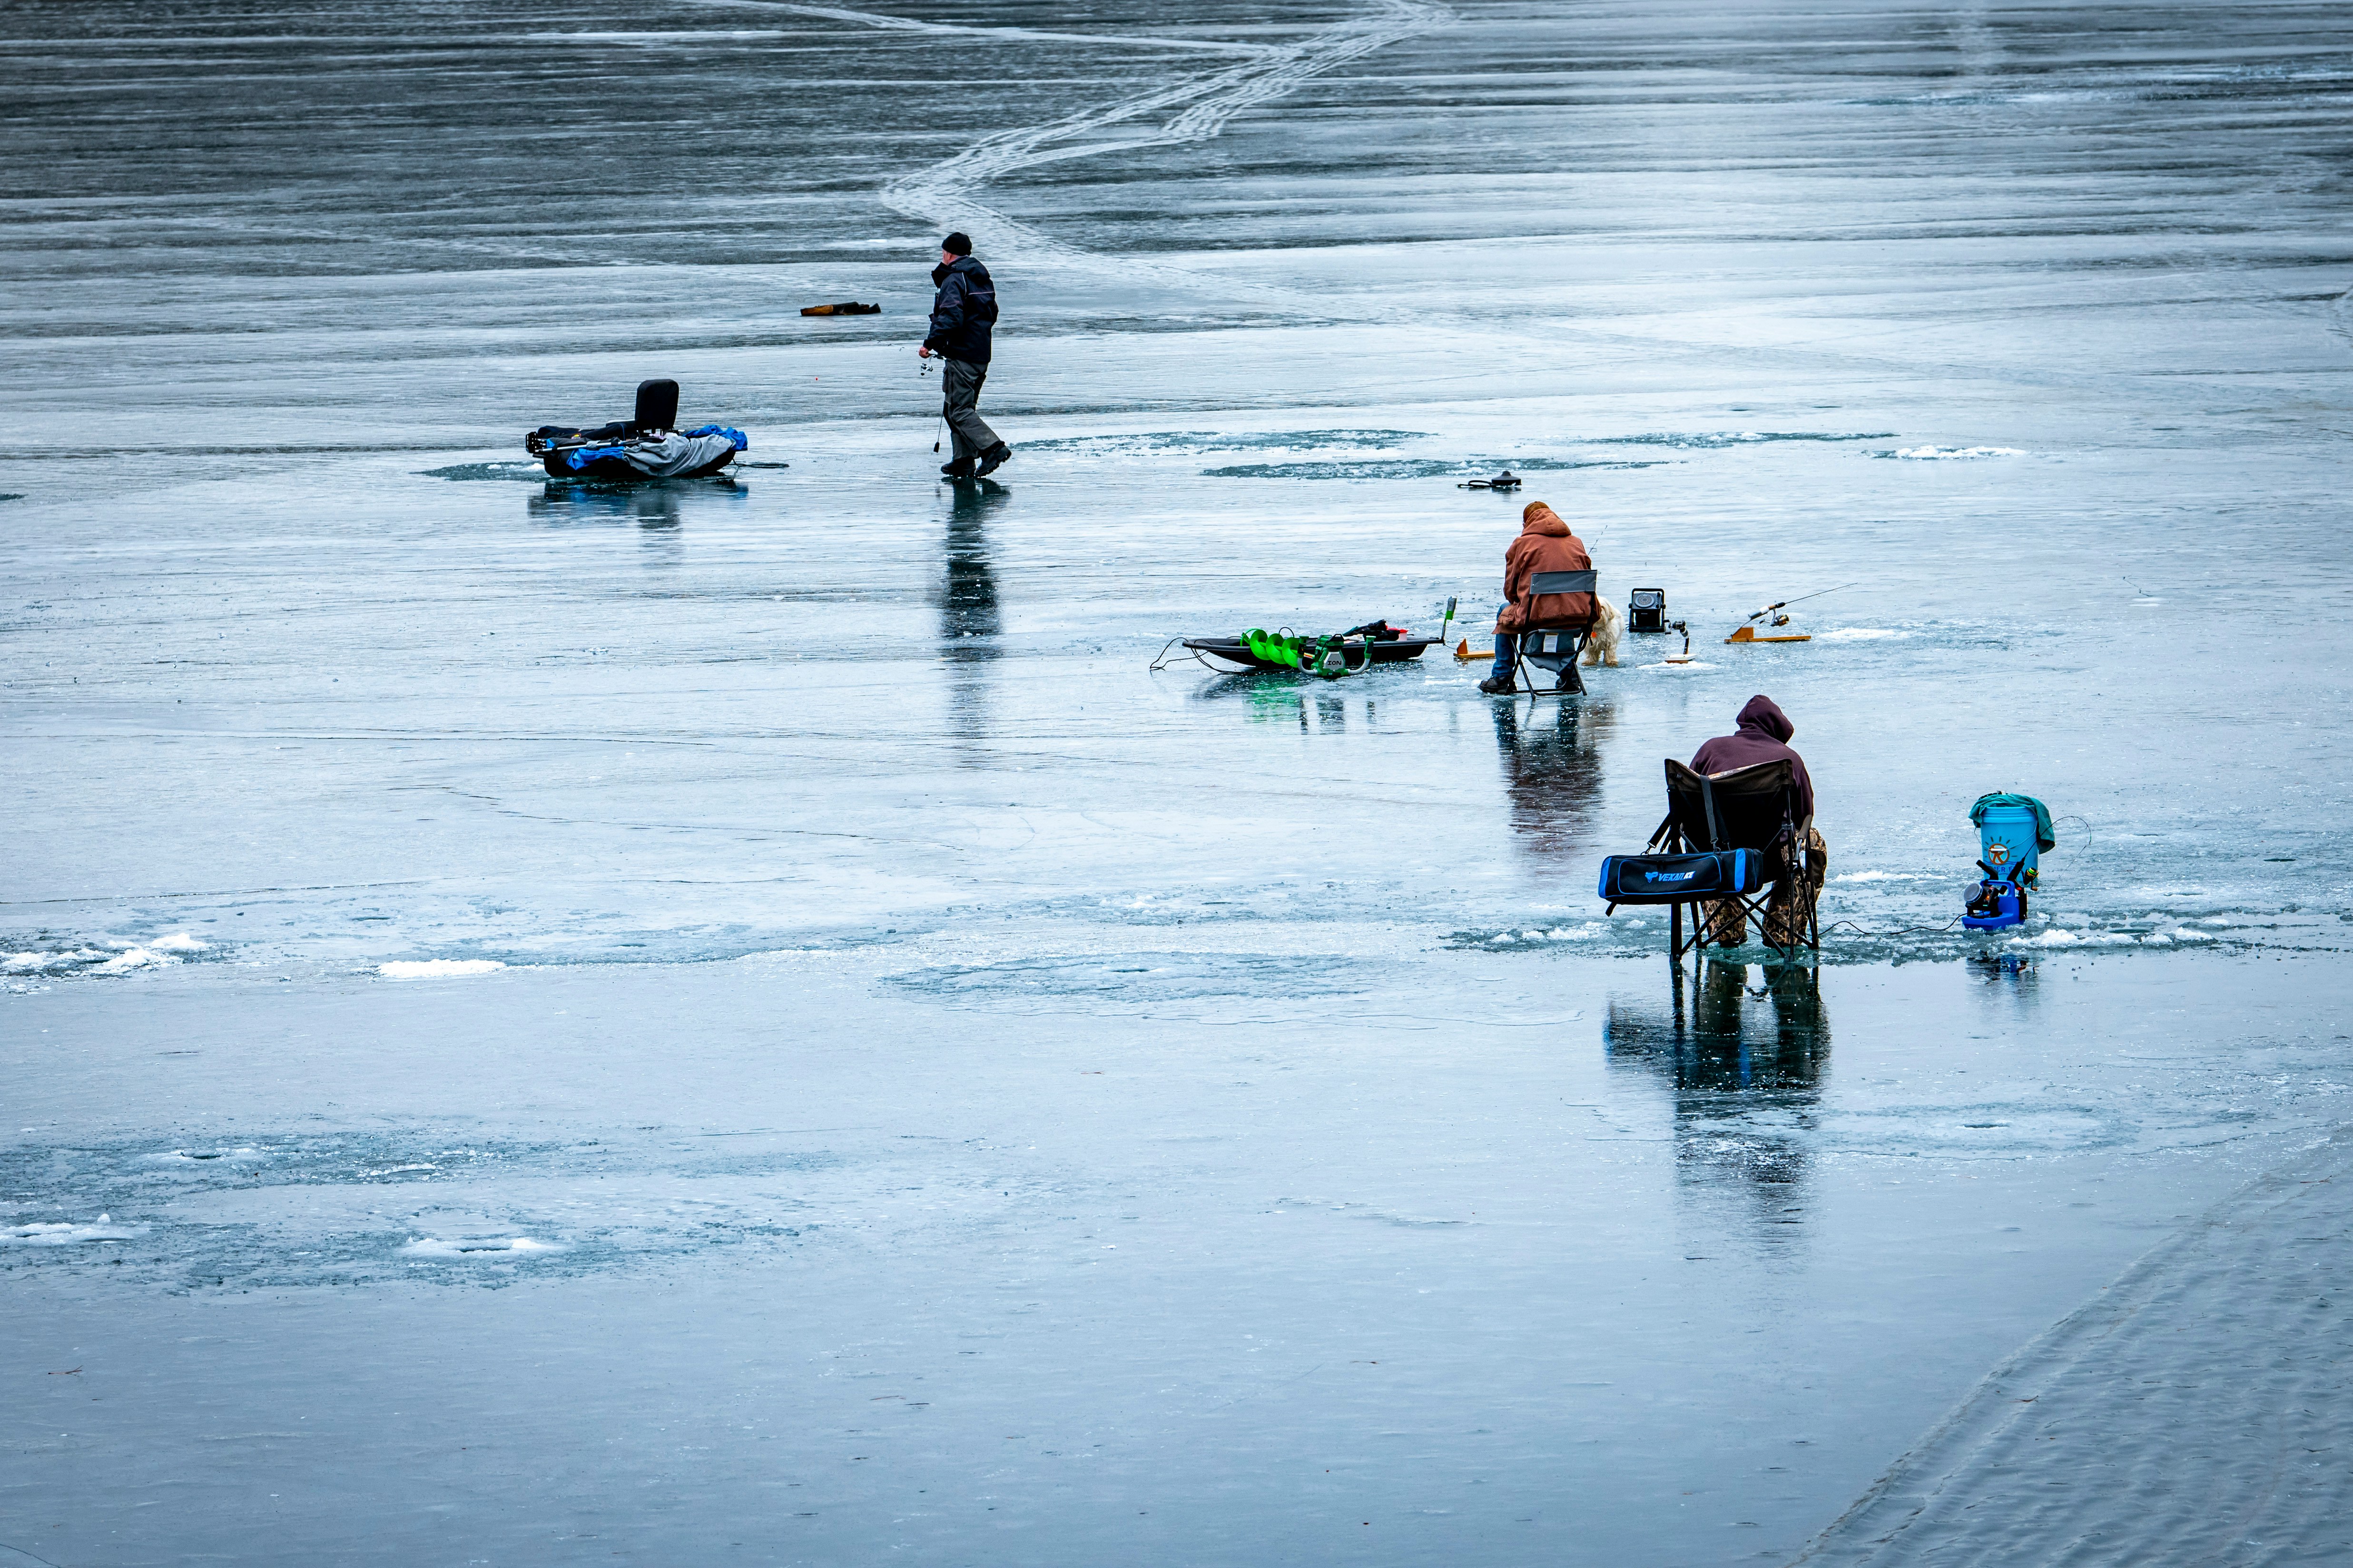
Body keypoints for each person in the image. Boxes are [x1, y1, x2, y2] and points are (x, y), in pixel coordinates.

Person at [1691, 695, 1827, 947]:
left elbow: (1690, 811)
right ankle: (1783, 927)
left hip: (1722, 860)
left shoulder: (1709, 751)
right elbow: (1805, 816)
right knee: (1813, 841)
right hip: (1772, 859)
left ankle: (1725, 925)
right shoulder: (1789, 759)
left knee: (1703, 844)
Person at [1477, 500, 1594, 695]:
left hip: (1536, 618)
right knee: (1563, 612)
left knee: (1503, 611)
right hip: (1579, 618)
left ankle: (1502, 676)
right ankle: (1569, 676)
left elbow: (1511, 590)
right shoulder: (1576, 542)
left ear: (1527, 523)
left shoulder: (1522, 544)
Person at [919, 232, 1009, 479]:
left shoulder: (955, 280)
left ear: (948, 254)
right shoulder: (981, 279)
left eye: (943, 253)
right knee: (956, 408)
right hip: (980, 354)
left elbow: (951, 317)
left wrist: (930, 344)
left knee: (958, 410)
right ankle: (963, 460)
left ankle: (993, 448)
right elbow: (993, 314)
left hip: (963, 355)